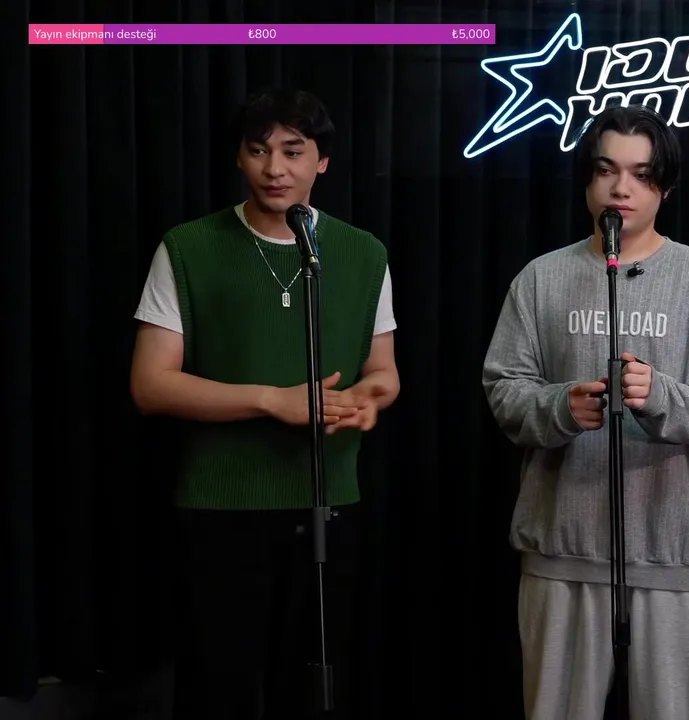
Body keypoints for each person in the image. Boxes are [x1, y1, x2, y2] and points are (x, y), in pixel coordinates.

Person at [129, 88, 399, 719]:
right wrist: (271, 401)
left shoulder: (363, 252)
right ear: (239, 158)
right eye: (258, 151)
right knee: (219, 685)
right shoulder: (188, 246)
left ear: (322, 161)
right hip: (220, 506)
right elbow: (150, 384)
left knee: (310, 684)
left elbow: (384, 371)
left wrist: (370, 399)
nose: (275, 168)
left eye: (293, 152)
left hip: (327, 501)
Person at [481, 104, 689, 719]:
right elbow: (503, 389)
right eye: (606, 170)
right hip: (561, 551)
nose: (621, 188)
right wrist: (560, 406)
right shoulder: (541, 279)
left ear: (664, 188)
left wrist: (660, 396)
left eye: (640, 174)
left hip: (670, 553)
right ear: (588, 180)